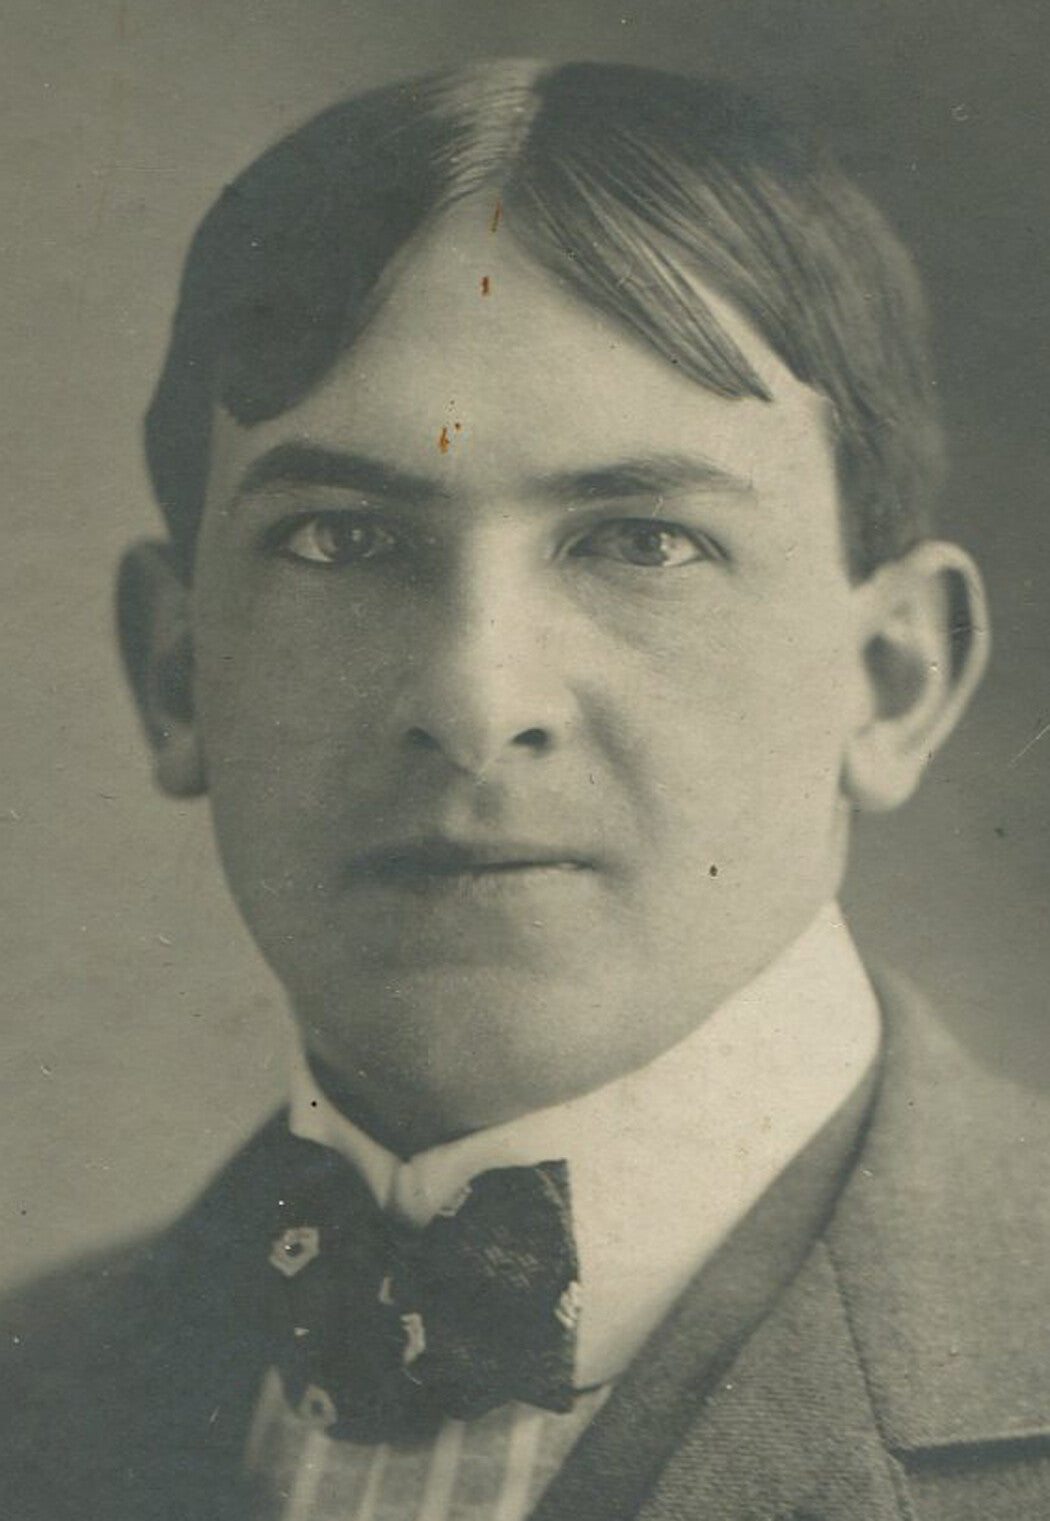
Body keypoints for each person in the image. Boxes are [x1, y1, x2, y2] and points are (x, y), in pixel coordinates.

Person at [3, 57, 1049, 1521]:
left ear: (889, 680)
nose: (475, 704)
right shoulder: (32, 1391)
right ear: (179, 675)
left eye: (639, 541)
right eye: (340, 541)